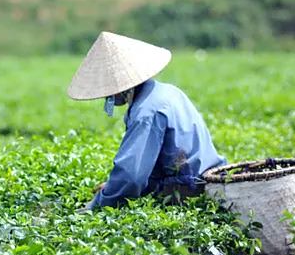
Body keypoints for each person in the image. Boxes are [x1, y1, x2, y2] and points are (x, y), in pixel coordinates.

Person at [68, 31, 226, 210]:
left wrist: (98, 204)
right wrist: (112, 187)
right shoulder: (168, 91)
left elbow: (131, 177)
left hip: (189, 191)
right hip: (209, 178)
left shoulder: (146, 112)